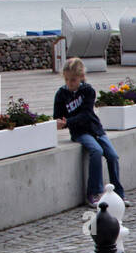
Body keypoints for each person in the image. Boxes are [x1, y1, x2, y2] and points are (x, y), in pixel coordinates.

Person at [53, 57, 125, 207]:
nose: (69, 83)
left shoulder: (88, 91)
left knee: (112, 156)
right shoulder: (61, 95)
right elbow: (58, 116)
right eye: (66, 80)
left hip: (95, 128)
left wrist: (68, 121)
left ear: (81, 77)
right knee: (96, 151)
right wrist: (59, 123)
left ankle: (118, 194)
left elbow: (86, 114)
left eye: (73, 80)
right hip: (80, 132)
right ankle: (94, 192)